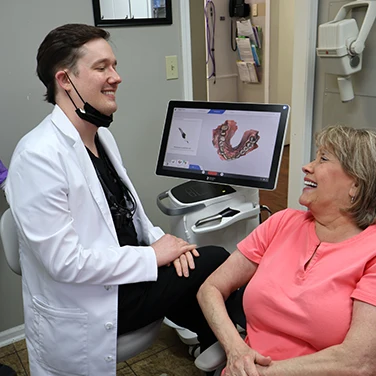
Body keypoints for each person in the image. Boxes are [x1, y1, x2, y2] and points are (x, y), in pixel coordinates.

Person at [5, 24, 243, 376]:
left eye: (114, 65)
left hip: (125, 275)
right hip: (95, 299)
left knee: (190, 257)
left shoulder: (101, 139)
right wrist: (152, 256)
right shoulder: (37, 156)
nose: (116, 77)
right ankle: (236, 344)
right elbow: (65, 263)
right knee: (215, 259)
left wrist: (163, 241)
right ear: (65, 80)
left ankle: (219, 342)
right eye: (102, 67)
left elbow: (130, 213)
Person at [197, 125, 376, 376]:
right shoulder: (282, 222)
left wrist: (258, 373)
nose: (307, 166)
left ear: (355, 185)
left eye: (323, 159)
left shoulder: (371, 251)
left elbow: (358, 362)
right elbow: (211, 288)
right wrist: (237, 350)